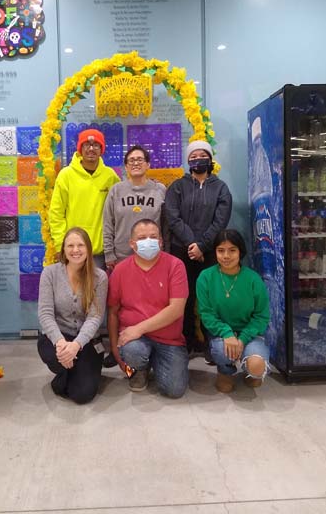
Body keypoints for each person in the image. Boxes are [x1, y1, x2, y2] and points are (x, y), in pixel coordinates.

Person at [164, 140, 232, 356]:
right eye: (192, 157)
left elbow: (221, 221)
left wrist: (202, 246)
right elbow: (172, 218)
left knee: (209, 298)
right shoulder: (177, 187)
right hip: (181, 251)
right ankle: (185, 341)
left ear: (210, 159)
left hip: (209, 252)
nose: (197, 159)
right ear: (187, 161)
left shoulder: (221, 188)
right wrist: (191, 243)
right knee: (183, 298)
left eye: (202, 155)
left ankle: (211, 344)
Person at [107, 219, 189, 398]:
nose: (148, 241)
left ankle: (156, 361)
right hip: (134, 343)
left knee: (174, 390)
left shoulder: (175, 266)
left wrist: (138, 329)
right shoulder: (120, 270)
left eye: (153, 237)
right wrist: (115, 350)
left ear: (160, 242)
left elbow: (176, 309)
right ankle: (138, 370)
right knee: (133, 352)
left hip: (169, 340)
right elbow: (112, 312)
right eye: (142, 238)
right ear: (132, 244)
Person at [37, 227, 108, 404]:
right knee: (55, 357)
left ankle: (75, 370)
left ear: (88, 249)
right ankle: (67, 368)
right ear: (64, 249)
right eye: (70, 246)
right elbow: (45, 313)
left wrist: (76, 345)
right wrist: (61, 344)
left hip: (86, 340)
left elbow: (95, 317)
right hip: (57, 338)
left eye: (80, 245)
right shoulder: (50, 273)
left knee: (82, 395)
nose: (75, 250)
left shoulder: (100, 277)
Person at [196, 229, 270, 393]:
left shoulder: (253, 278)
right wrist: (227, 334)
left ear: (240, 251)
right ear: (215, 252)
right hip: (220, 334)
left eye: (232, 250)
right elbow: (206, 314)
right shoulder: (205, 277)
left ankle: (249, 369)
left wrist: (242, 339)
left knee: (256, 368)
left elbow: (261, 316)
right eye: (220, 251)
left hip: (250, 334)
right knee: (223, 354)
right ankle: (225, 371)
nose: (226, 256)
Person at [49, 128, 119, 268]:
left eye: (96, 145)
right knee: (72, 290)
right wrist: (60, 245)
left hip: (100, 253)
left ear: (101, 149)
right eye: (87, 145)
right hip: (73, 252)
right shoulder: (66, 175)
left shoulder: (110, 176)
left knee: (98, 290)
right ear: (80, 148)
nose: (91, 149)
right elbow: (56, 214)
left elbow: (120, 208)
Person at [103, 145, 166, 269]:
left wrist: (165, 251)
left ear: (148, 164)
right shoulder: (116, 190)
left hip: (153, 255)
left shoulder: (160, 190)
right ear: (126, 166)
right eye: (131, 160)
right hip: (121, 256)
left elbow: (166, 225)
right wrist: (108, 253)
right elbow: (108, 224)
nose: (135, 163)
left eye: (140, 160)